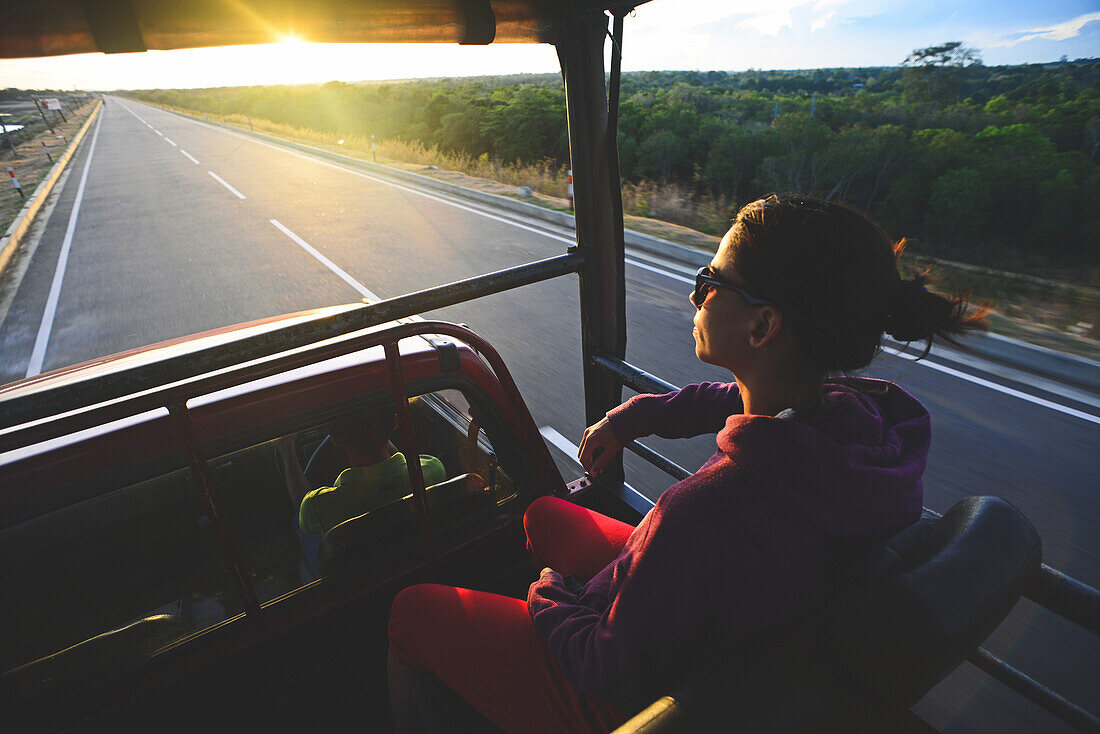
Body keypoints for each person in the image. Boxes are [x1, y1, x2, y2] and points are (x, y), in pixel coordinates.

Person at [386, 194, 988, 734]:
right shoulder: (850, 424)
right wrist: (631, 418)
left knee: (411, 611)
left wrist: (548, 596)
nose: (695, 292)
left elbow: (607, 664)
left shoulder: (703, 510)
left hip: (634, 696)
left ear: (762, 325)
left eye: (710, 280)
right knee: (546, 512)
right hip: (741, 633)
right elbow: (725, 402)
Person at [277, 406, 446, 572]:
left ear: (335, 437)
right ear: (395, 423)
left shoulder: (316, 506)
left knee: (299, 521)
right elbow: (404, 465)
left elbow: (302, 508)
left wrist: (287, 448)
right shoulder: (431, 470)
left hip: (356, 579)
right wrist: (380, 431)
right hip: (416, 564)